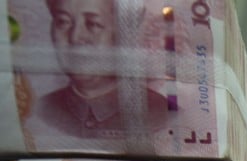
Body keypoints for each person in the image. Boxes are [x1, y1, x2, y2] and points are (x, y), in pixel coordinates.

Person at [39, 0, 169, 137]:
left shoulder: (163, 115)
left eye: (93, 24)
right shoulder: (40, 110)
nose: (75, 37)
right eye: (63, 21)